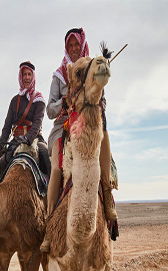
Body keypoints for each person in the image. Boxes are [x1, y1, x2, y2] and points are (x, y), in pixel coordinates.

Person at [41, 28, 117, 252]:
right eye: (70, 45)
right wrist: (65, 102)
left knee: (104, 138)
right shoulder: (58, 75)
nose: (74, 49)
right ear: (66, 48)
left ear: (82, 45)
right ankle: (50, 223)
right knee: (56, 169)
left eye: (77, 45)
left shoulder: (92, 69)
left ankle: (106, 193)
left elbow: (102, 99)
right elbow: (49, 110)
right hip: (63, 126)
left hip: (87, 124)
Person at [0, 61, 50, 176]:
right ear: (20, 77)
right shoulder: (14, 100)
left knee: (46, 155)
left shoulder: (39, 99)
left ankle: (51, 192)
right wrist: (1, 143)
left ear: (33, 76)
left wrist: (27, 138)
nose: (27, 78)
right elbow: (7, 126)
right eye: (24, 75)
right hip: (16, 140)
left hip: (35, 139)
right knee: (1, 163)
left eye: (29, 74)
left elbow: (37, 122)